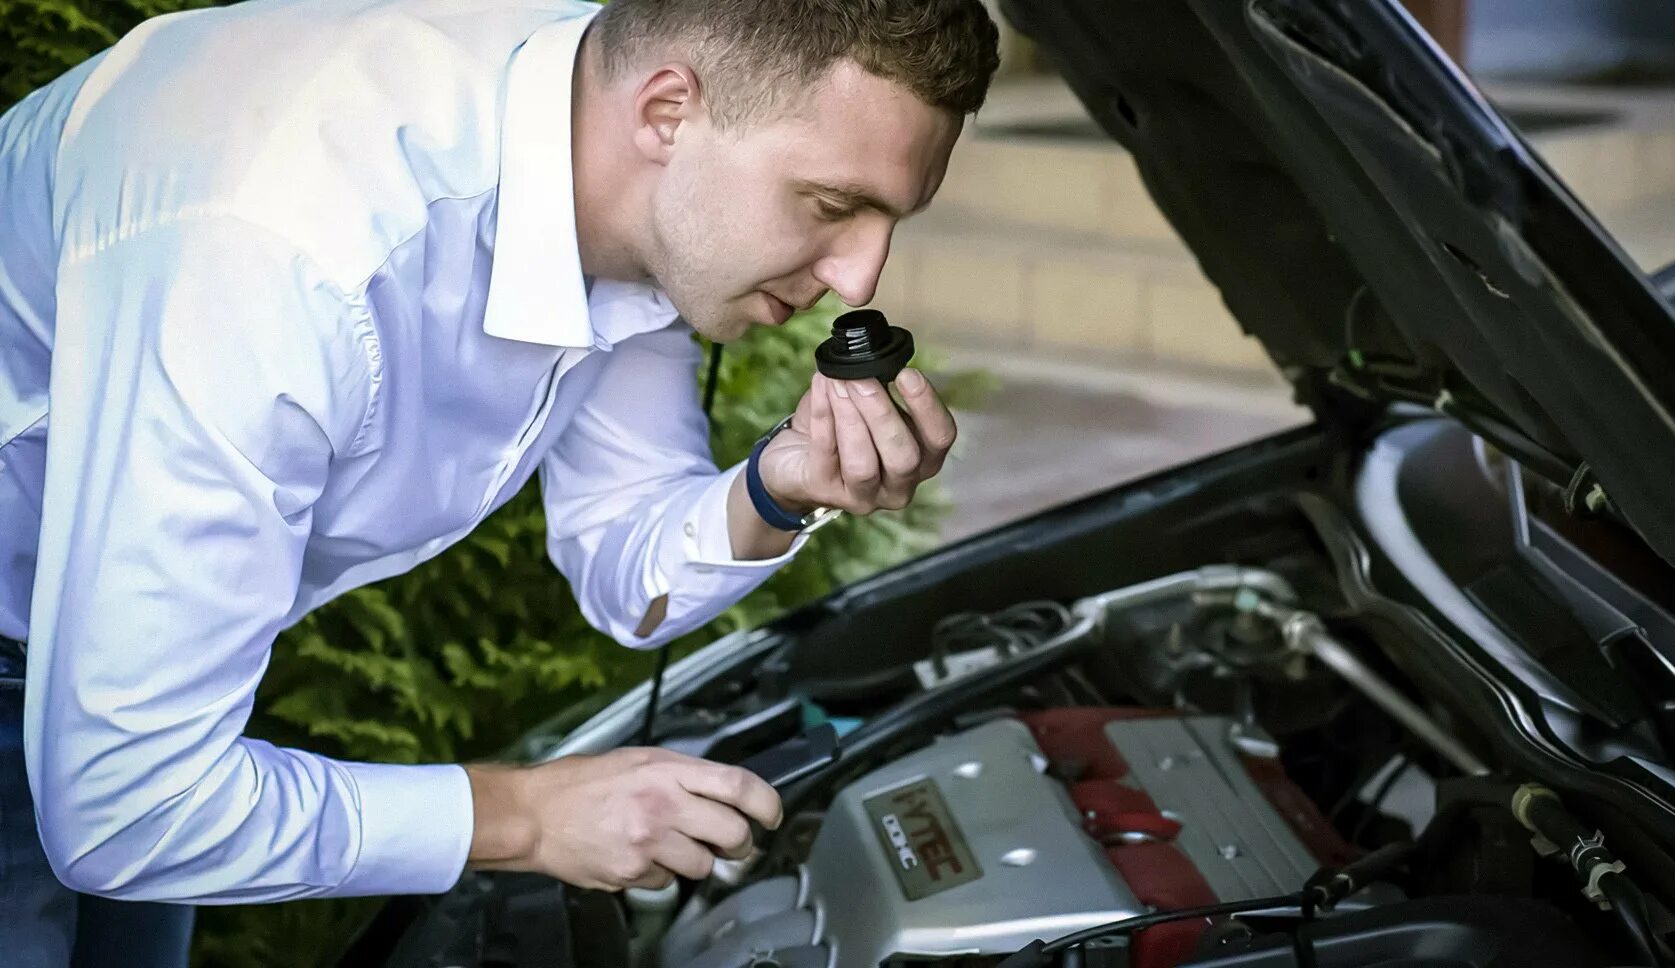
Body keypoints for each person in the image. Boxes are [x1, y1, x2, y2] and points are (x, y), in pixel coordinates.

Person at [0, 0, 1000, 963]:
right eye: (832, 205)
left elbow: (625, 567)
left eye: (890, 219)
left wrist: (780, 488)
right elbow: (130, 809)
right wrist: (527, 815)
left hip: (120, 677)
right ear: (667, 110)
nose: (862, 279)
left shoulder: (613, 164)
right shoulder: (285, 257)